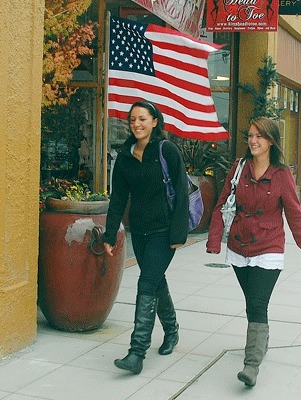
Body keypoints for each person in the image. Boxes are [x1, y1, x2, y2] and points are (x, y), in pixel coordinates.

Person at [206, 117, 301, 387]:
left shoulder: (281, 174)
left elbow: (294, 213)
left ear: (271, 141)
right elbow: (222, 204)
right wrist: (214, 241)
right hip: (238, 246)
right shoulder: (239, 167)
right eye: (251, 135)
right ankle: (262, 341)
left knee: (258, 304)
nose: (254, 140)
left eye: (260, 136)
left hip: (269, 247)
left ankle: (251, 364)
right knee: (252, 304)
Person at [103, 100, 189, 374]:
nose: (137, 124)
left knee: (146, 282)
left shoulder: (166, 150)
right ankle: (172, 329)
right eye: (132, 120)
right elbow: (117, 198)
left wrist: (178, 233)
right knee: (156, 281)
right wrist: (109, 233)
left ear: (154, 121)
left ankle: (137, 352)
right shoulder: (125, 156)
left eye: (142, 118)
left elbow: (182, 192)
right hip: (138, 233)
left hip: (164, 233)